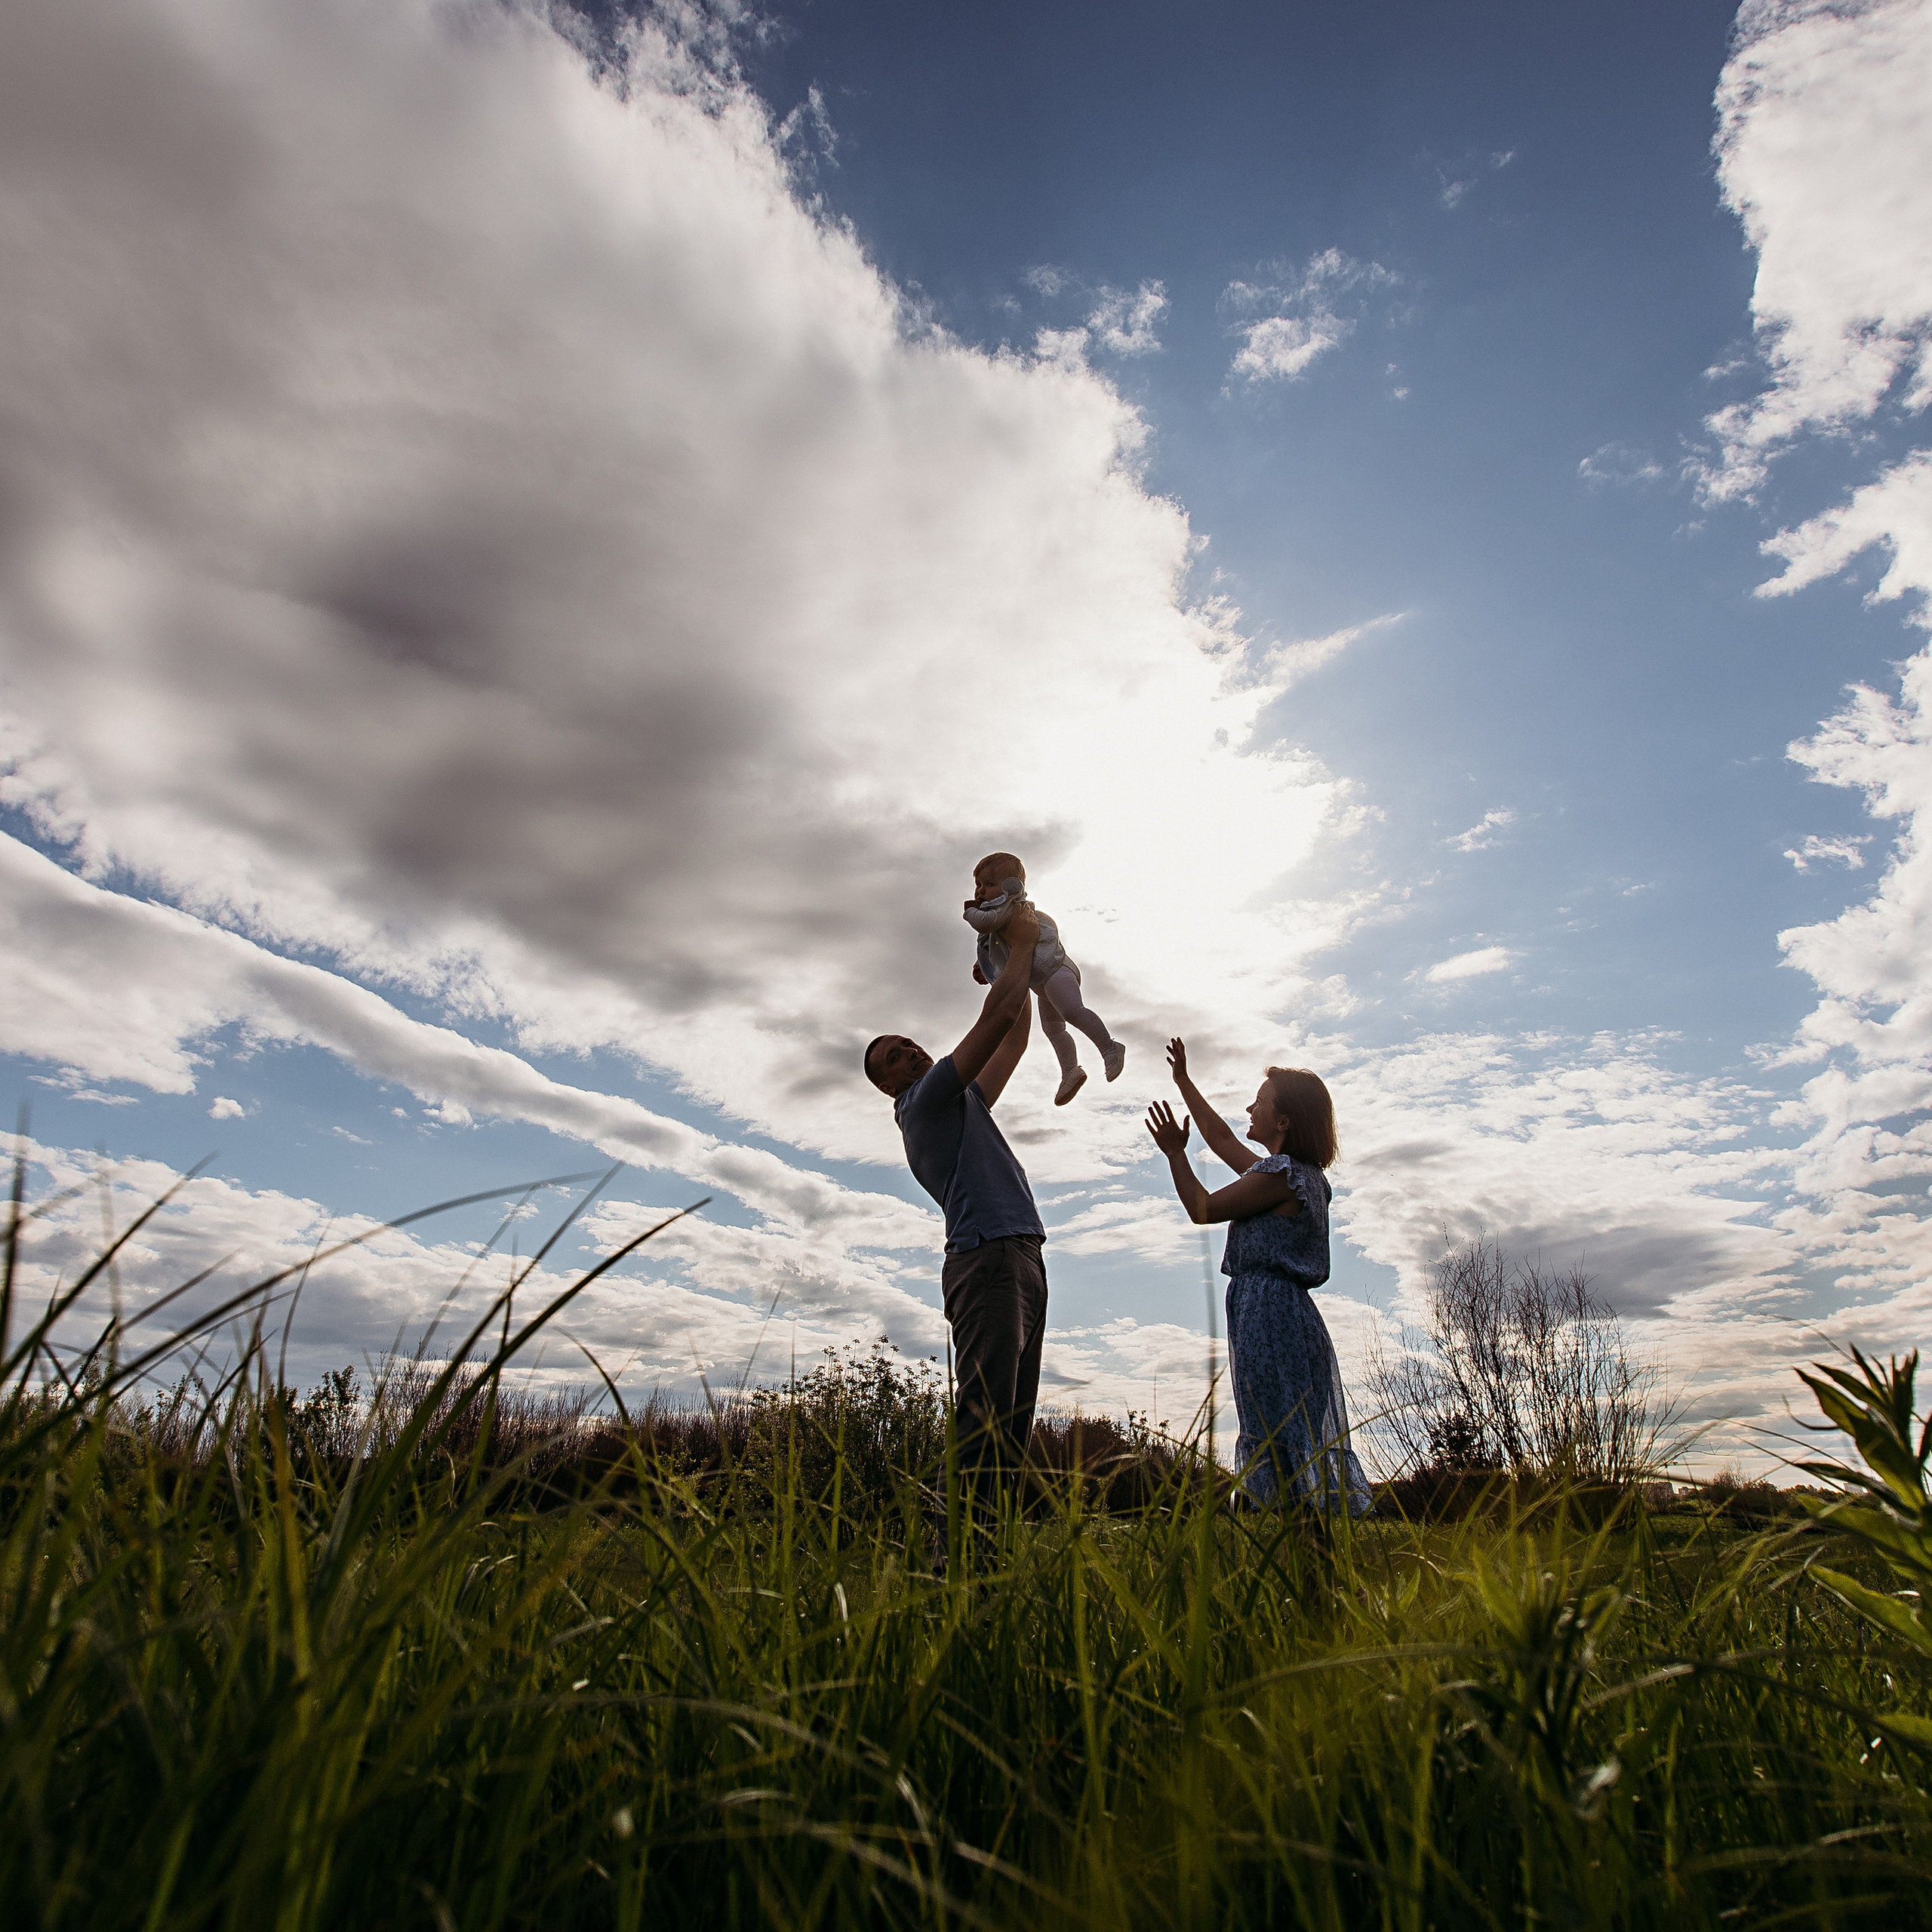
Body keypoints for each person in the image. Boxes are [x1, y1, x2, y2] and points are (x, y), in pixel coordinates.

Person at [865, 897, 1048, 1527]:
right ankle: (955, 1572)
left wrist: (1008, 965)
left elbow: (1014, 1033)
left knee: (1011, 1430)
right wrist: (1019, 942)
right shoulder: (924, 1103)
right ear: (888, 1084)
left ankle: (987, 1570)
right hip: (988, 1259)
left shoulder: (961, 1100)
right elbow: (996, 1019)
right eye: (894, 1056)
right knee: (984, 1423)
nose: (911, 1052)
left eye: (910, 1044)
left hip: (1020, 1254)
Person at [1145, 1038, 1370, 1515]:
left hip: (1267, 1310)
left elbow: (1203, 1209)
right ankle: (1299, 1528)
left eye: (1261, 1102)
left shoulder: (1282, 1177)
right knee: (1289, 1423)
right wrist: (1184, 1082)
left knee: (1273, 1424)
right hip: (1284, 1310)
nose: (1251, 1107)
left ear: (1283, 1122)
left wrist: (1174, 1155)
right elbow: (1222, 1140)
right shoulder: (1296, 1175)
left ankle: (1287, 1524)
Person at [965, 851, 1124, 1107]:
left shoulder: (1010, 907)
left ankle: (1110, 1048)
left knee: (1072, 1011)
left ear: (1011, 886)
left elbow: (987, 925)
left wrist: (969, 913)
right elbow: (1000, 949)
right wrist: (982, 966)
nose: (981, 891)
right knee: (1053, 1028)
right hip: (1043, 984)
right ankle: (1070, 1071)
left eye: (989, 884)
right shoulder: (1000, 916)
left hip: (1056, 971)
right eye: (978, 885)